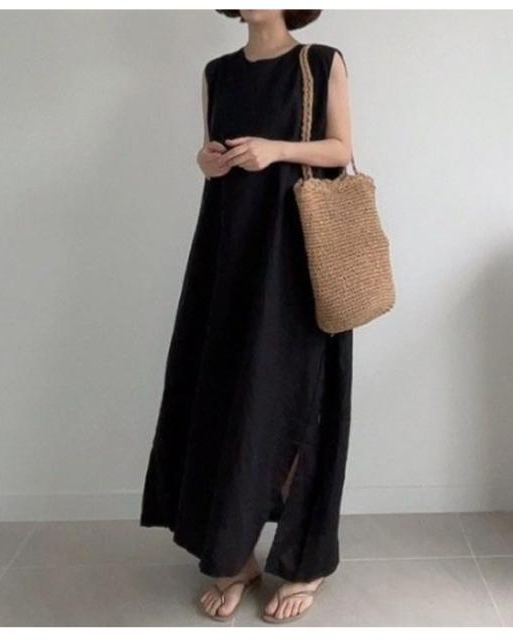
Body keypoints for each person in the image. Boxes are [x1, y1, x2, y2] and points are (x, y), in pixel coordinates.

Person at [140, 9, 355, 624]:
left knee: (301, 398)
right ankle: (234, 558)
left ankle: (306, 560)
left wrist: (274, 149)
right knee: (224, 391)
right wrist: (207, 162)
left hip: (296, 251)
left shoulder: (320, 61)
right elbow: (212, 155)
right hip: (229, 249)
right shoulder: (217, 73)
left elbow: (341, 149)